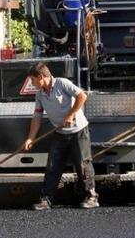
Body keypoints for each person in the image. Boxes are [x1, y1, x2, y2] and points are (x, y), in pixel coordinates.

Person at [22, 62, 99, 210]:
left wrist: (70, 115)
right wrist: (30, 138)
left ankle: (91, 197)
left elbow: (82, 96)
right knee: (52, 166)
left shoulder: (62, 84)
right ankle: (46, 200)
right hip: (59, 133)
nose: (32, 83)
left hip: (79, 131)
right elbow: (37, 117)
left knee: (83, 165)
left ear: (41, 77)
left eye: (32, 80)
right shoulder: (40, 95)